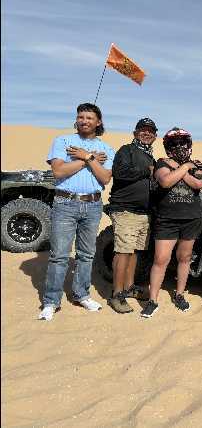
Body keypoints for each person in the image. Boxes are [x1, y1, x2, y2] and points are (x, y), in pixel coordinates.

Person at [38, 103, 115, 321]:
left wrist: (87, 157)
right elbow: (58, 170)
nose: (84, 121)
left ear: (98, 122)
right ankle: (51, 301)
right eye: (81, 117)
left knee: (86, 254)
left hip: (93, 205)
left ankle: (82, 294)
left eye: (89, 117)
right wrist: (87, 159)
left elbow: (105, 177)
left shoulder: (107, 149)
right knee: (59, 255)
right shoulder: (62, 141)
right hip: (65, 203)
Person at [141, 127, 202, 318]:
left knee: (184, 258)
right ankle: (152, 300)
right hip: (167, 219)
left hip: (191, 218)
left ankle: (179, 294)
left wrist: (181, 168)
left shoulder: (195, 164)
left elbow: (198, 184)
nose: (179, 146)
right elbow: (165, 181)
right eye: (174, 143)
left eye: (182, 143)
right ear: (168, 146)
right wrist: (186, 168)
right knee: (161, 259)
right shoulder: (162, 163)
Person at [105, 117, 158, 313]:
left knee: (135, 252)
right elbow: (120, 172)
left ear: (155, 136)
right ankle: (117, 294)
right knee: (123, 252)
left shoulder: (150, 157)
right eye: (143, 130)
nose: (146, 133)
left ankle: (128, 287)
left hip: (144, 213)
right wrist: (146, 171)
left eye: (150, 131)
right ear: (135, 133)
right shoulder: (126, 150)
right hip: (125, 210)